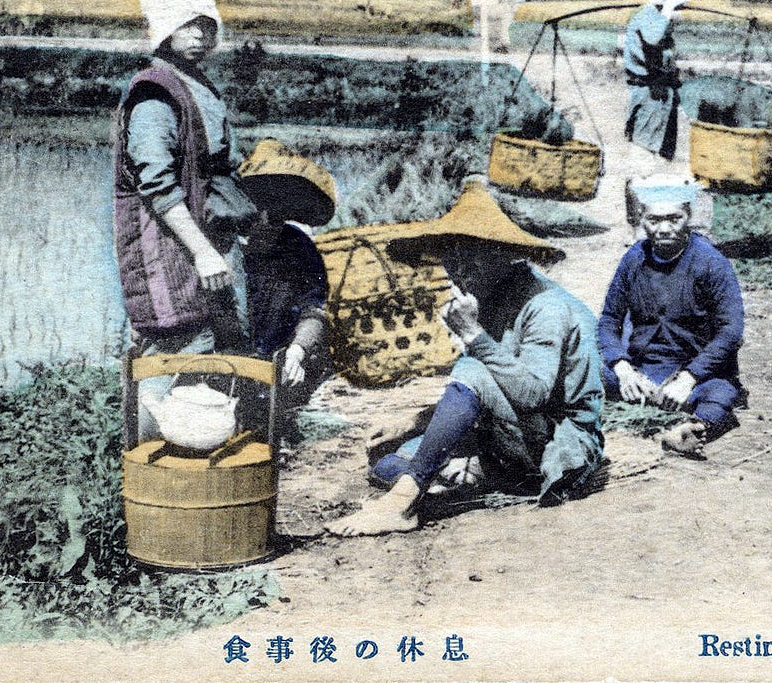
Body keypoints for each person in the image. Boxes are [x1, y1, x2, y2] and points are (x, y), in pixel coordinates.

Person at [326, 178, 605, 536]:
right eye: (450, 259)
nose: (458, 271)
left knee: (469, 368)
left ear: (501, 253)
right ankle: (450, 480)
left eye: (470, 257)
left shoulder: (545, 306)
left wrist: (474, 335)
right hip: (512, 432)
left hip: (559, 440)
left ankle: (402, 504)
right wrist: (413, 423)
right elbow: (492, 393)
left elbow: (533, 393)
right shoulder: (491, 294)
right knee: (385, 458)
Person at [113, 0, 257, 358]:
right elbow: (158, 185)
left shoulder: (198, 86)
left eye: (206, 25)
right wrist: (202, 251)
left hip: (214, 234)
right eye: (187, 25)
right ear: (164, 29)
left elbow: (224, 167)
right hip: (176, 240)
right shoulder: (154, 96)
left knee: (224, 347)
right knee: (182, 343)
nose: (198, 34)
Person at [598, 176, 745, 458]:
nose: (664, 228)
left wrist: (689, 377)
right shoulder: (633, 259)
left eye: (674, 218)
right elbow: (608, 319)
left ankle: (692, 429)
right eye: (654, 220)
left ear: (688, 216)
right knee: (589, 374)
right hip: (645, 369)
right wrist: (622, 367)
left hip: (697, 370)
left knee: (721, 393)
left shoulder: (711, 262)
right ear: (641, 218)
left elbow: (731, 331)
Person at [238, 137, 338, 433]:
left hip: (281, 362)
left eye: (278, 198)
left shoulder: (298, 246)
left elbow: (315, 308)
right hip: (232, 363)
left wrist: (298, 350)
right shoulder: (226, 244)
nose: (268, 208)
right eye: (259, 196)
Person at [621, 0, 695, 164]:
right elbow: (653, 39)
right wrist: (670, 6)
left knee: (663, 155)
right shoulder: (648, 14)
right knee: (643, 154)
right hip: (648, 95)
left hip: (664, 94)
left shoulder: (662, 15)